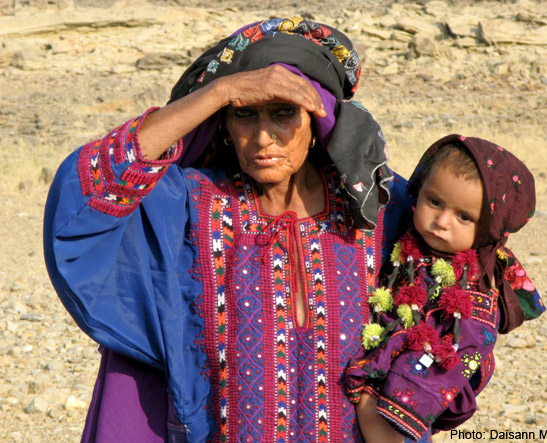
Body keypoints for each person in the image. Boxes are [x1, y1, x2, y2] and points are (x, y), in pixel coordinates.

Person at [43, 17, 426, 443]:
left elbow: (465, 281)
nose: (263, 137)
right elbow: (88, 196)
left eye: (284, 113)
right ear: (224, 124)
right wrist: (221, 91)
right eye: (244, 115)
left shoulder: (379, 210)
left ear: (318, 119)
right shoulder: (189, 207)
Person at [344, 134, 545, 442]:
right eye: (434, 201)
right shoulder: (409, 242)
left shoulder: (474, 291)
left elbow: (456, 356)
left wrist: (391, 391)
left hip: (414, 385)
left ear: (489, 227)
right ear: (418, 191)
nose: (441, 221)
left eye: (464, 217)